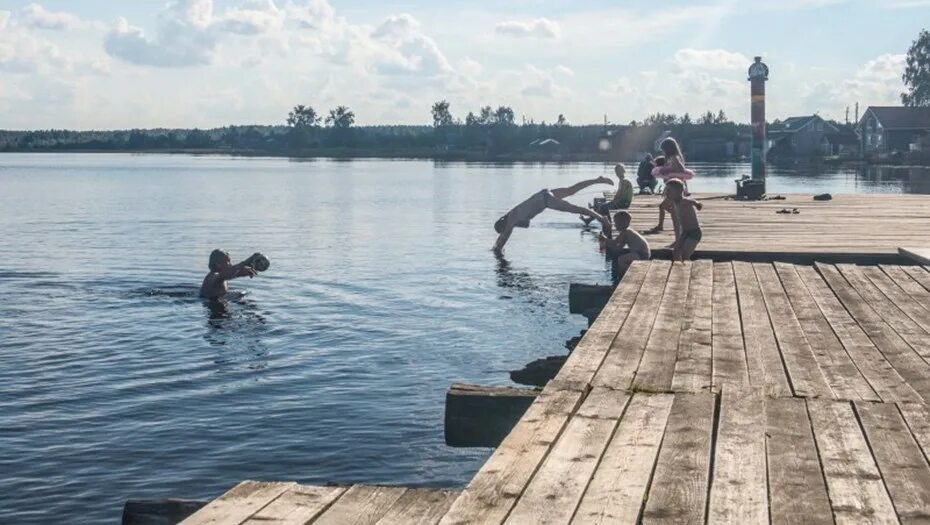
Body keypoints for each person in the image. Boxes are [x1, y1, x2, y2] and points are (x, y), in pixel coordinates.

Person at [494, 177, 613, 252]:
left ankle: (602, 219)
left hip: (546, 201)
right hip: (543, 194)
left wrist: (495, 249)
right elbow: (503, 235)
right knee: (571, 190)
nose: (506, 231)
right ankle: (597, 180)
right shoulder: (510, 215)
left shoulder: (510, 222)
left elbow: (502, 240)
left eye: (504, 230)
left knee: (575, 209)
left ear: (504, 227)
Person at [599, 211, 651, 278]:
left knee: (621, 259)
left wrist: (605, 239)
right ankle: (625, 274)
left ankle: (622, 277)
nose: (614, 225)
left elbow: (615, 242)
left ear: (623, 223)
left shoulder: (626, 232)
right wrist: (606, 246)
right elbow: (618, 247)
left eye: (616, 223)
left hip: (641, 254)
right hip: (641, 254)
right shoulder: (626, 233)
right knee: (619, 258)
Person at [665, 178, 703, 261]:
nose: (666, 193)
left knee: (685, 254)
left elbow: (692, 201)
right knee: (675, 251)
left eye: (669, 190)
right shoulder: (674, 202)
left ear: (679, 192)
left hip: (694, 232)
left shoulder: (683, 201)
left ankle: (688, 268)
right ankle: (677, 266)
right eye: (666, 190)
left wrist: (697, 204)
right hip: (685, 232)